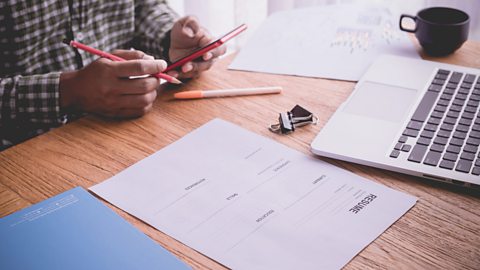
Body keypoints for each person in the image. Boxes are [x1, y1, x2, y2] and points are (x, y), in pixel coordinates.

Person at [0, 0, 226, 150]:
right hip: (20, 152)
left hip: (121, 132)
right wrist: (68, 90)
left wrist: (169, 41)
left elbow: (142, 6)